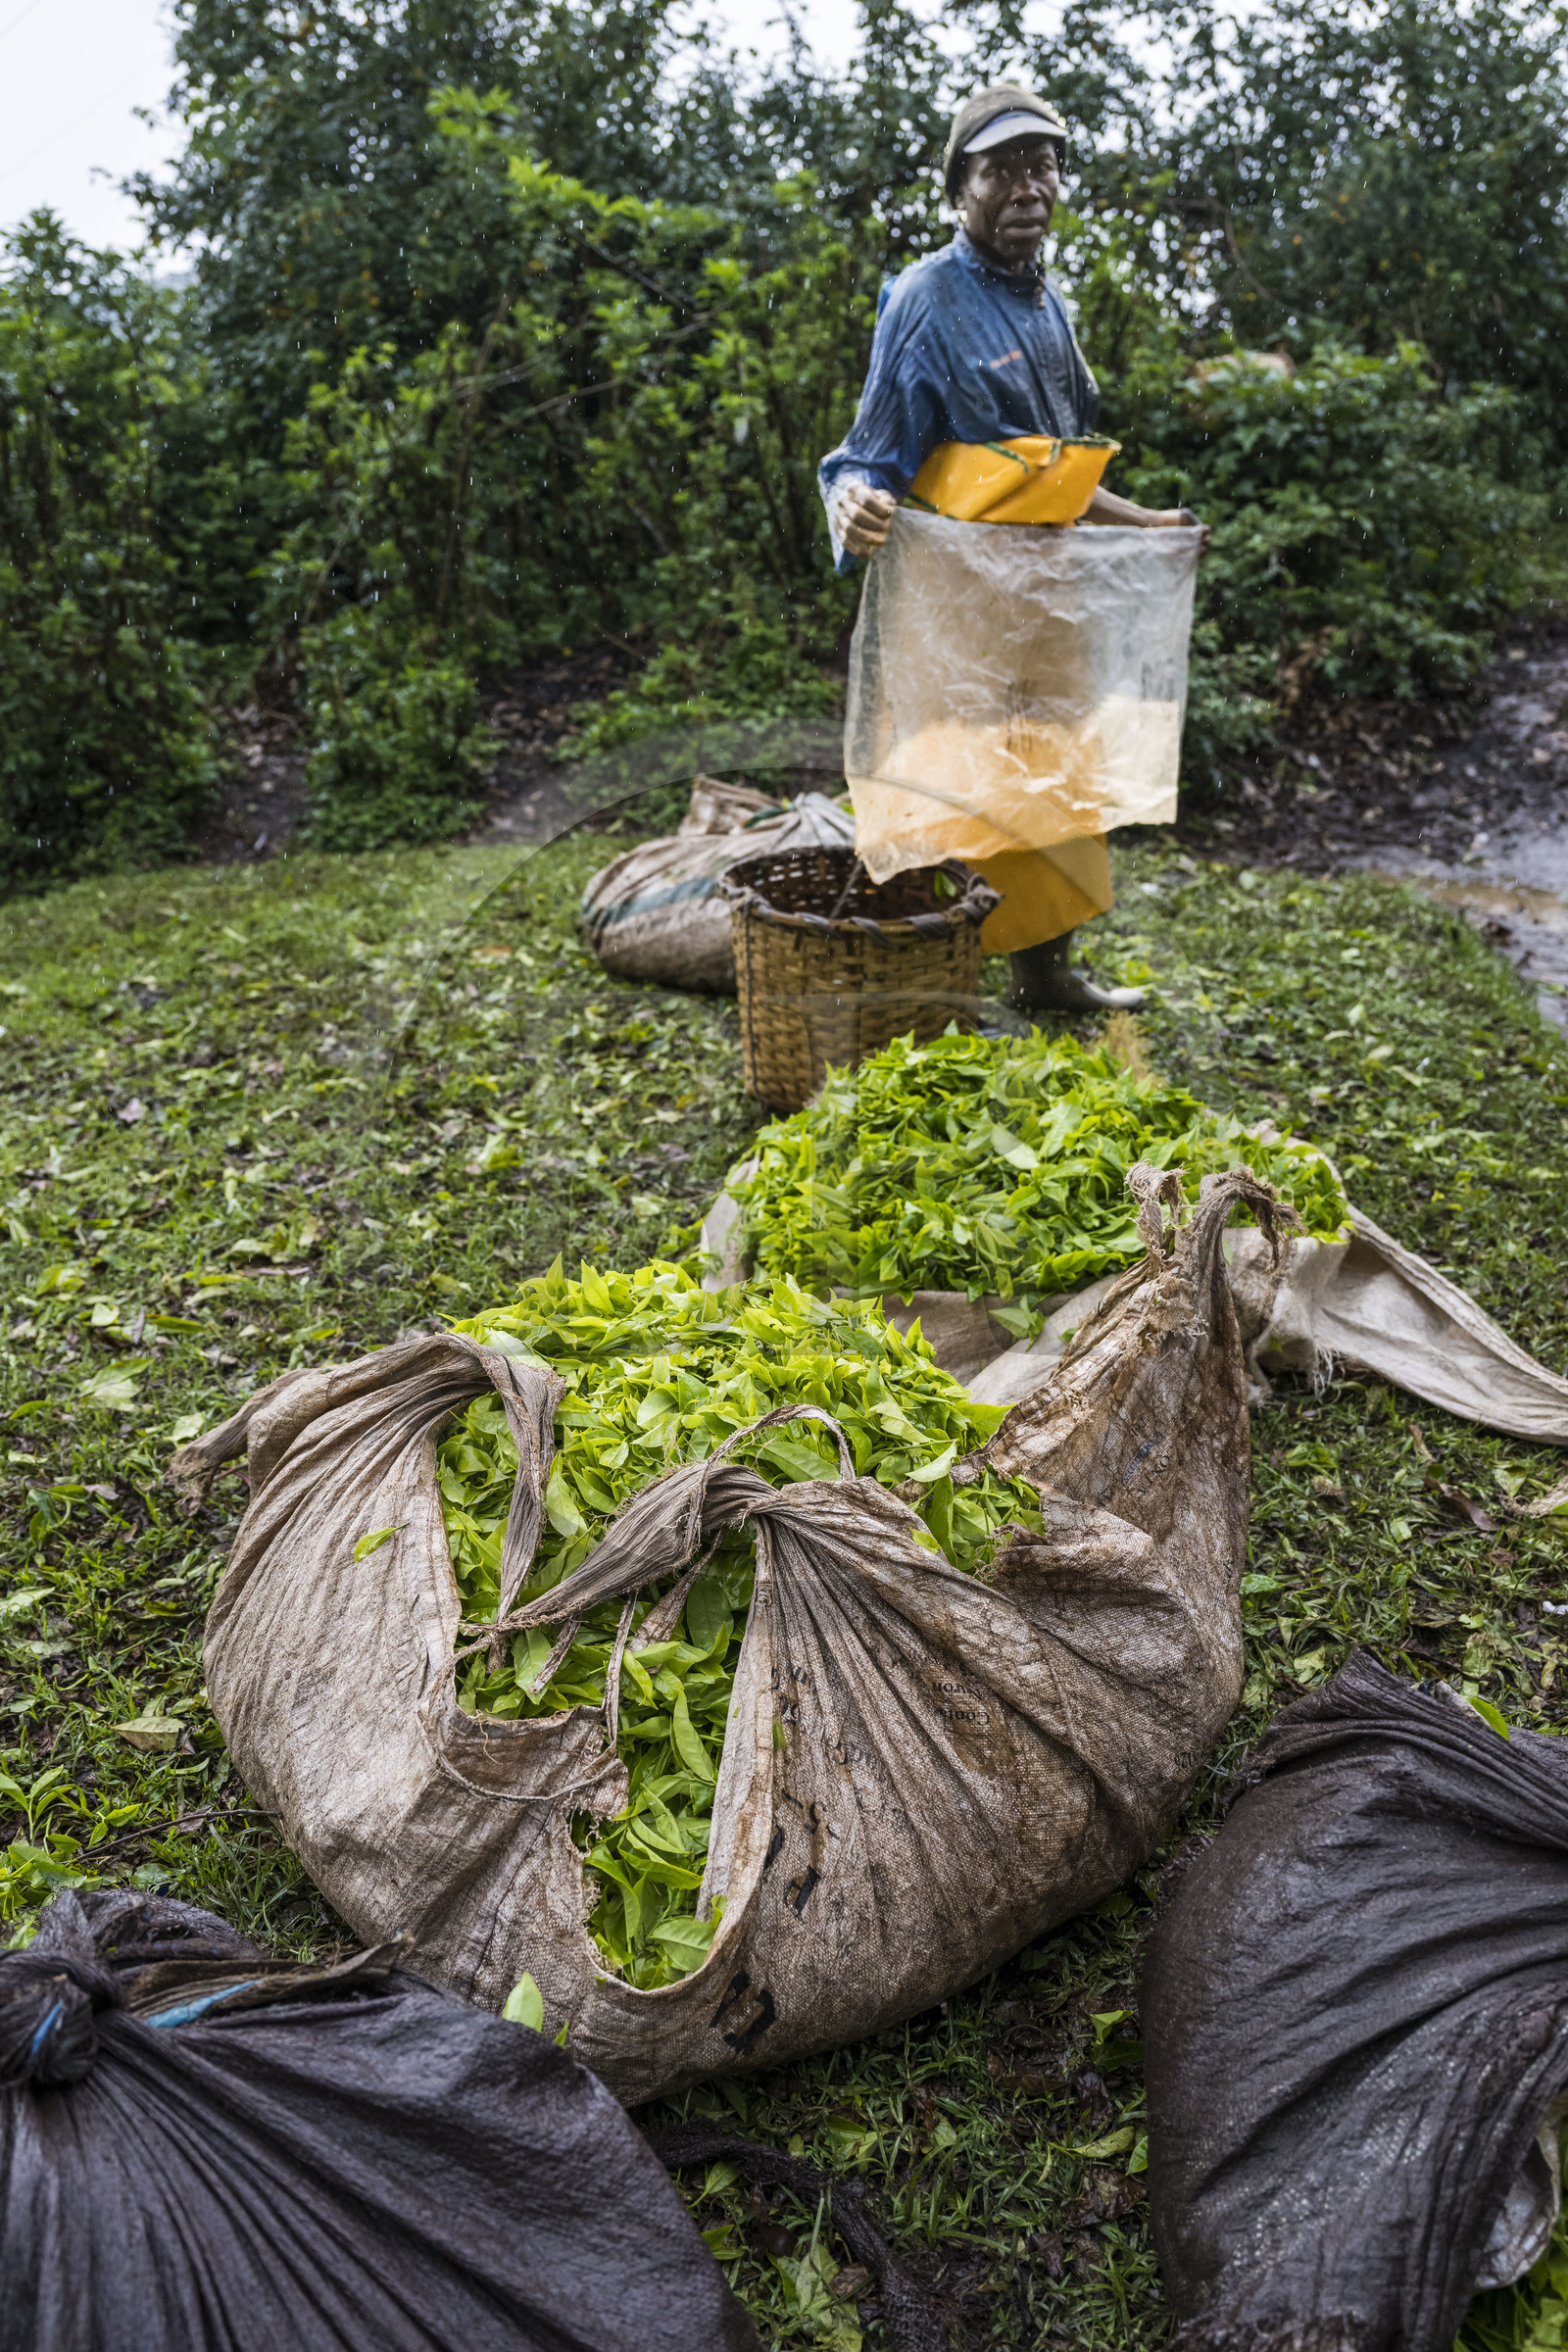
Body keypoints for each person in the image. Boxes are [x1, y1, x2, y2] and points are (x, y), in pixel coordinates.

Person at [819, 83, 1204, 1013]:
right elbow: (864, 459)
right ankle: (921, 982)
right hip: (961, 612)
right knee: (956, 791)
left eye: (1043, 164)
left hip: (1048, 593)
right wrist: (853, 508)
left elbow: (1050, 468)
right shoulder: (926, 299)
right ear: (961, 189)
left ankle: (1049, 976)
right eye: (1003, 168)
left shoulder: (1050, 307)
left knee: (1055, 788)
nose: (1029, 185)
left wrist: (1145, 524)